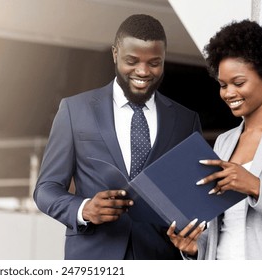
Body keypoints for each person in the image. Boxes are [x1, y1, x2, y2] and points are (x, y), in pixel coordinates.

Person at [33, 14, 201, 260]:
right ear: (115, 53)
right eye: (132, 61)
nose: (143, 72)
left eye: (154, 63)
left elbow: (192, 198)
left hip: (160, 258)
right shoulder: (74, 110)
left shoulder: (187, 121)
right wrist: (84, 209)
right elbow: (45, 189)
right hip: (93, 258)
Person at [166, 20, 262, 259]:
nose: (229, 93)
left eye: (238, 83)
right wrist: (196, 248)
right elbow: (226, 227)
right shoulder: (224, 142)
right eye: (223, 85)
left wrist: (254, 187)